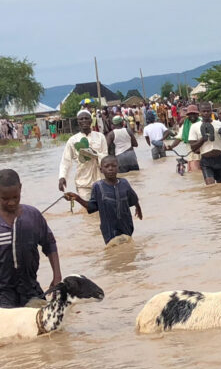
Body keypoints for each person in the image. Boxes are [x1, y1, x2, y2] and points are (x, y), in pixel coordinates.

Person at [0, 169, 62, 308]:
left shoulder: (32, 216)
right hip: (3, 293)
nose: (11, 203)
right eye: (5, 199)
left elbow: (50, 244)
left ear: (20, 188)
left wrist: (57, 276)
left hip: (30, 289)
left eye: (15, 197)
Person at [65, 155, 142, 245]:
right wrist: (77, 198)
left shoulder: (124, 183)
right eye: (107, 166)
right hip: (109, 231)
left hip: (126, 226)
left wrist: (138, 209)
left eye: (113, 166)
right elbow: (92, 206)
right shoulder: (98, 187)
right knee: (113, 251)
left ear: (118, 168)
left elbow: (133, 199)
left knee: (128, 250)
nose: (110, 169)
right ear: (101, 170)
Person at [58, 110, 107, 200]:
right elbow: (66, 161)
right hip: (83, 181)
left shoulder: (100, 137)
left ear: (91, 121)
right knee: (88, 210)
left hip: (101, 179)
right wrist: (62, 177)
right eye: (81, 119)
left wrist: (95, 154)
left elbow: (106, 157)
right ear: (78, 122)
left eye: (86, 118)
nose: (84, 121)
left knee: (102, 207)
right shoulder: (73, 140)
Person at [188, 102, 221, 185]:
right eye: (204, 111)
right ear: (200, 112)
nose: (206, 113)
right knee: (210, 185)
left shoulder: (219, 124)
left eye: (208, 111)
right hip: (206, 161)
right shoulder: (194, 127)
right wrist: (203, 139)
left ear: (211, 111)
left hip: (220, 159)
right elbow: (192, 147)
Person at [166, 104, 202, 172]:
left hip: (201, 150)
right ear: (187, 115)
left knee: (197, 171)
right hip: (190, 151)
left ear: (197, 114)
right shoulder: (185, 124)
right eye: (190, 114)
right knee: (193, 171)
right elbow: (179, 137)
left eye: (194, 114)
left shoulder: (202, 122)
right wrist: (171, 146)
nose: (192, 116)